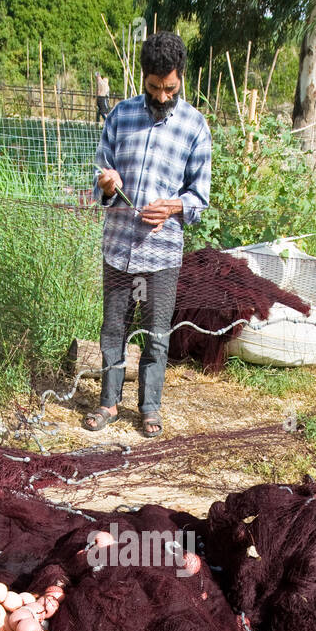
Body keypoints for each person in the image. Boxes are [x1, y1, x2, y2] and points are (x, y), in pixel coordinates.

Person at [85, 31, 212, 437]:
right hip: (119, 247)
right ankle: (108, 403)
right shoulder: (120, 116)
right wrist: (106, 183)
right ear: (144, 79)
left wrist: (174, 206)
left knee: (157, 334)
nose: (161, 96)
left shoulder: (194, 126)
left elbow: (200, 195)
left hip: (162, 253)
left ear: (181, 79)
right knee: (112, 329)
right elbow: (99, 175)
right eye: (154, 87)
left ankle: (150, 407)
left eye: (169, 88)